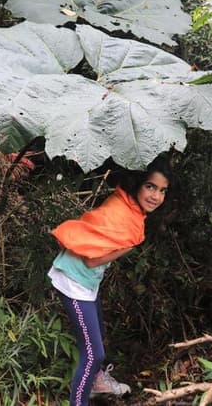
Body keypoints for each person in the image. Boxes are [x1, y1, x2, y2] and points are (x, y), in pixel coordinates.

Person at [48, 157, 172, 406]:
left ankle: (96, 384)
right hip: (74, 281)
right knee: (93, 354)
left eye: (162, 190)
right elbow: (93, 260)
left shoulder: (126, 204)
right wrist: (128, 245)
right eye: (150, 186)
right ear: (138, 183)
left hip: (86, 282)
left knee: (99, 335)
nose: (156, 196)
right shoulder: (127, 219)